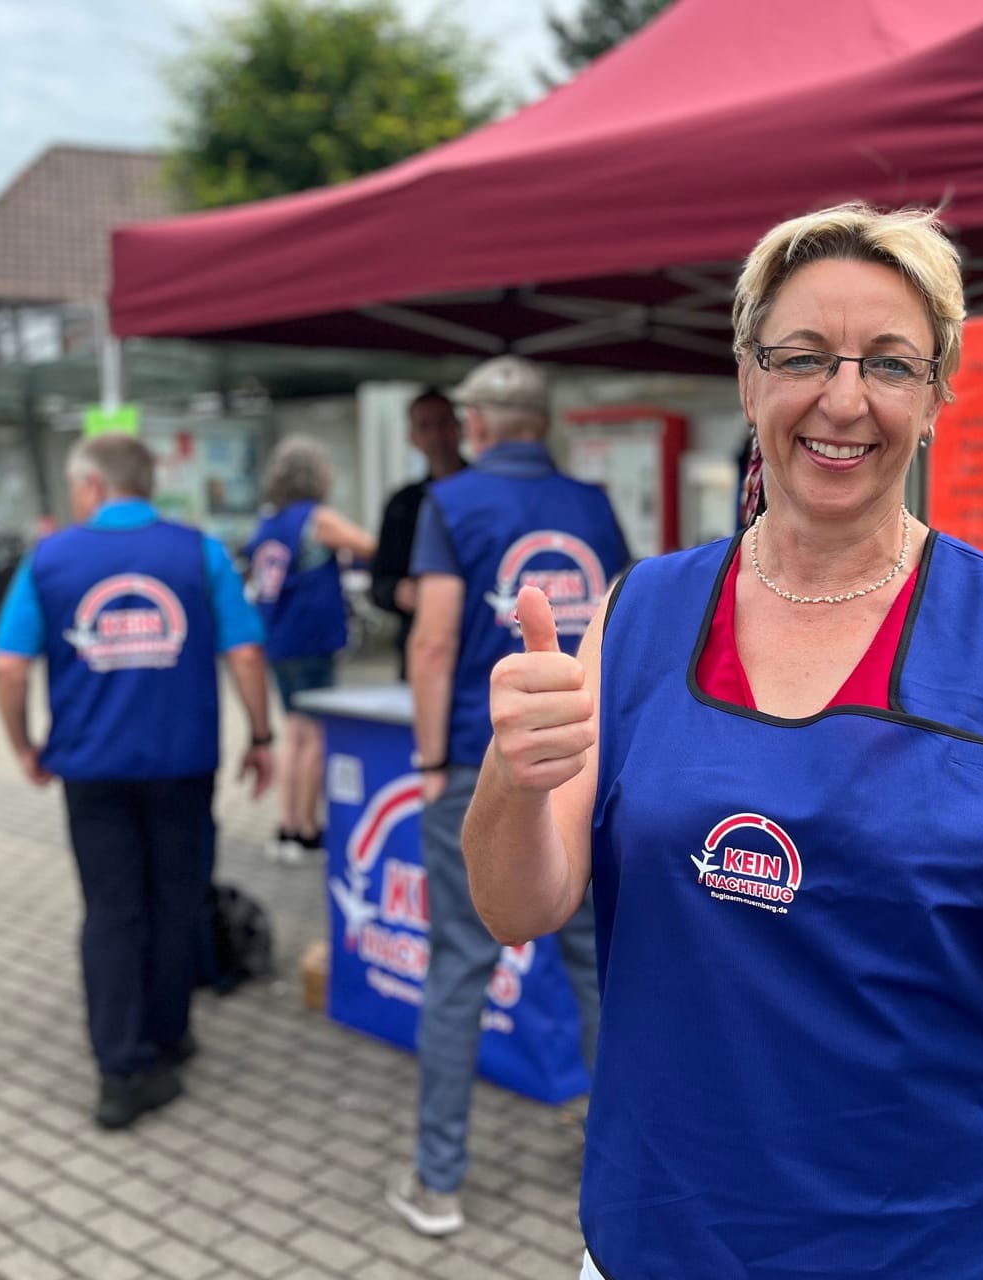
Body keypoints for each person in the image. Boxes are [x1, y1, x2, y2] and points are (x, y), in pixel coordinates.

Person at [463, 204, 983, 1277]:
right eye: (804, 356)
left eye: (892, 365)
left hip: (940, 1238)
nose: (845, 398)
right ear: (748, 376)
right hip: (670, 1229)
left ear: (937, 396)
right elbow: (516, 904)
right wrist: (511, 773)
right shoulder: (644, 607)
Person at [388, 354, 631, 1238]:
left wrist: (427, 761)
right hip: (591, 762)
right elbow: (624, 624)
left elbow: (433, 641)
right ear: (546, 422)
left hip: (485, 769)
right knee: (598, 973)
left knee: (458, 970)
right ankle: (621, 1158)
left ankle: (438, 1182)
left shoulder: (447, 505)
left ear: (479, 425)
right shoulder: (594, 506)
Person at [0, 435, 273, 1131]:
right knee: (175, 900)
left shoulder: (49, 558)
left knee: (113, 911)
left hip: (91, 772)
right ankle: (169, 1038)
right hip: (182, 766)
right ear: (149, 485)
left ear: (90, 487)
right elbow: (244, 652)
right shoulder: (199, 551)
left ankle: (121, 1072)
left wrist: (24, 744)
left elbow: (8, 667)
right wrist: (262, 737)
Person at [246, 435, 380, 863]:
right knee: (313, 735)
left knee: (293, 733)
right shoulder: (315, 519)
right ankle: (305, 829)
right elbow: (368, 545)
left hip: (278, 641)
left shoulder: (267, 524)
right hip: (311, 641)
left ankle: (286, 826)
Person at [371, 390, 467, 681]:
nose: (436, 435)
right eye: (425, 426)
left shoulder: (487, 496)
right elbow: (379, 583)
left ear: (459, 428)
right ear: (412, 436)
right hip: (421, 646)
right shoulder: (403, 504)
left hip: (479, 646)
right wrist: (399, 592)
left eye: (442, 423)